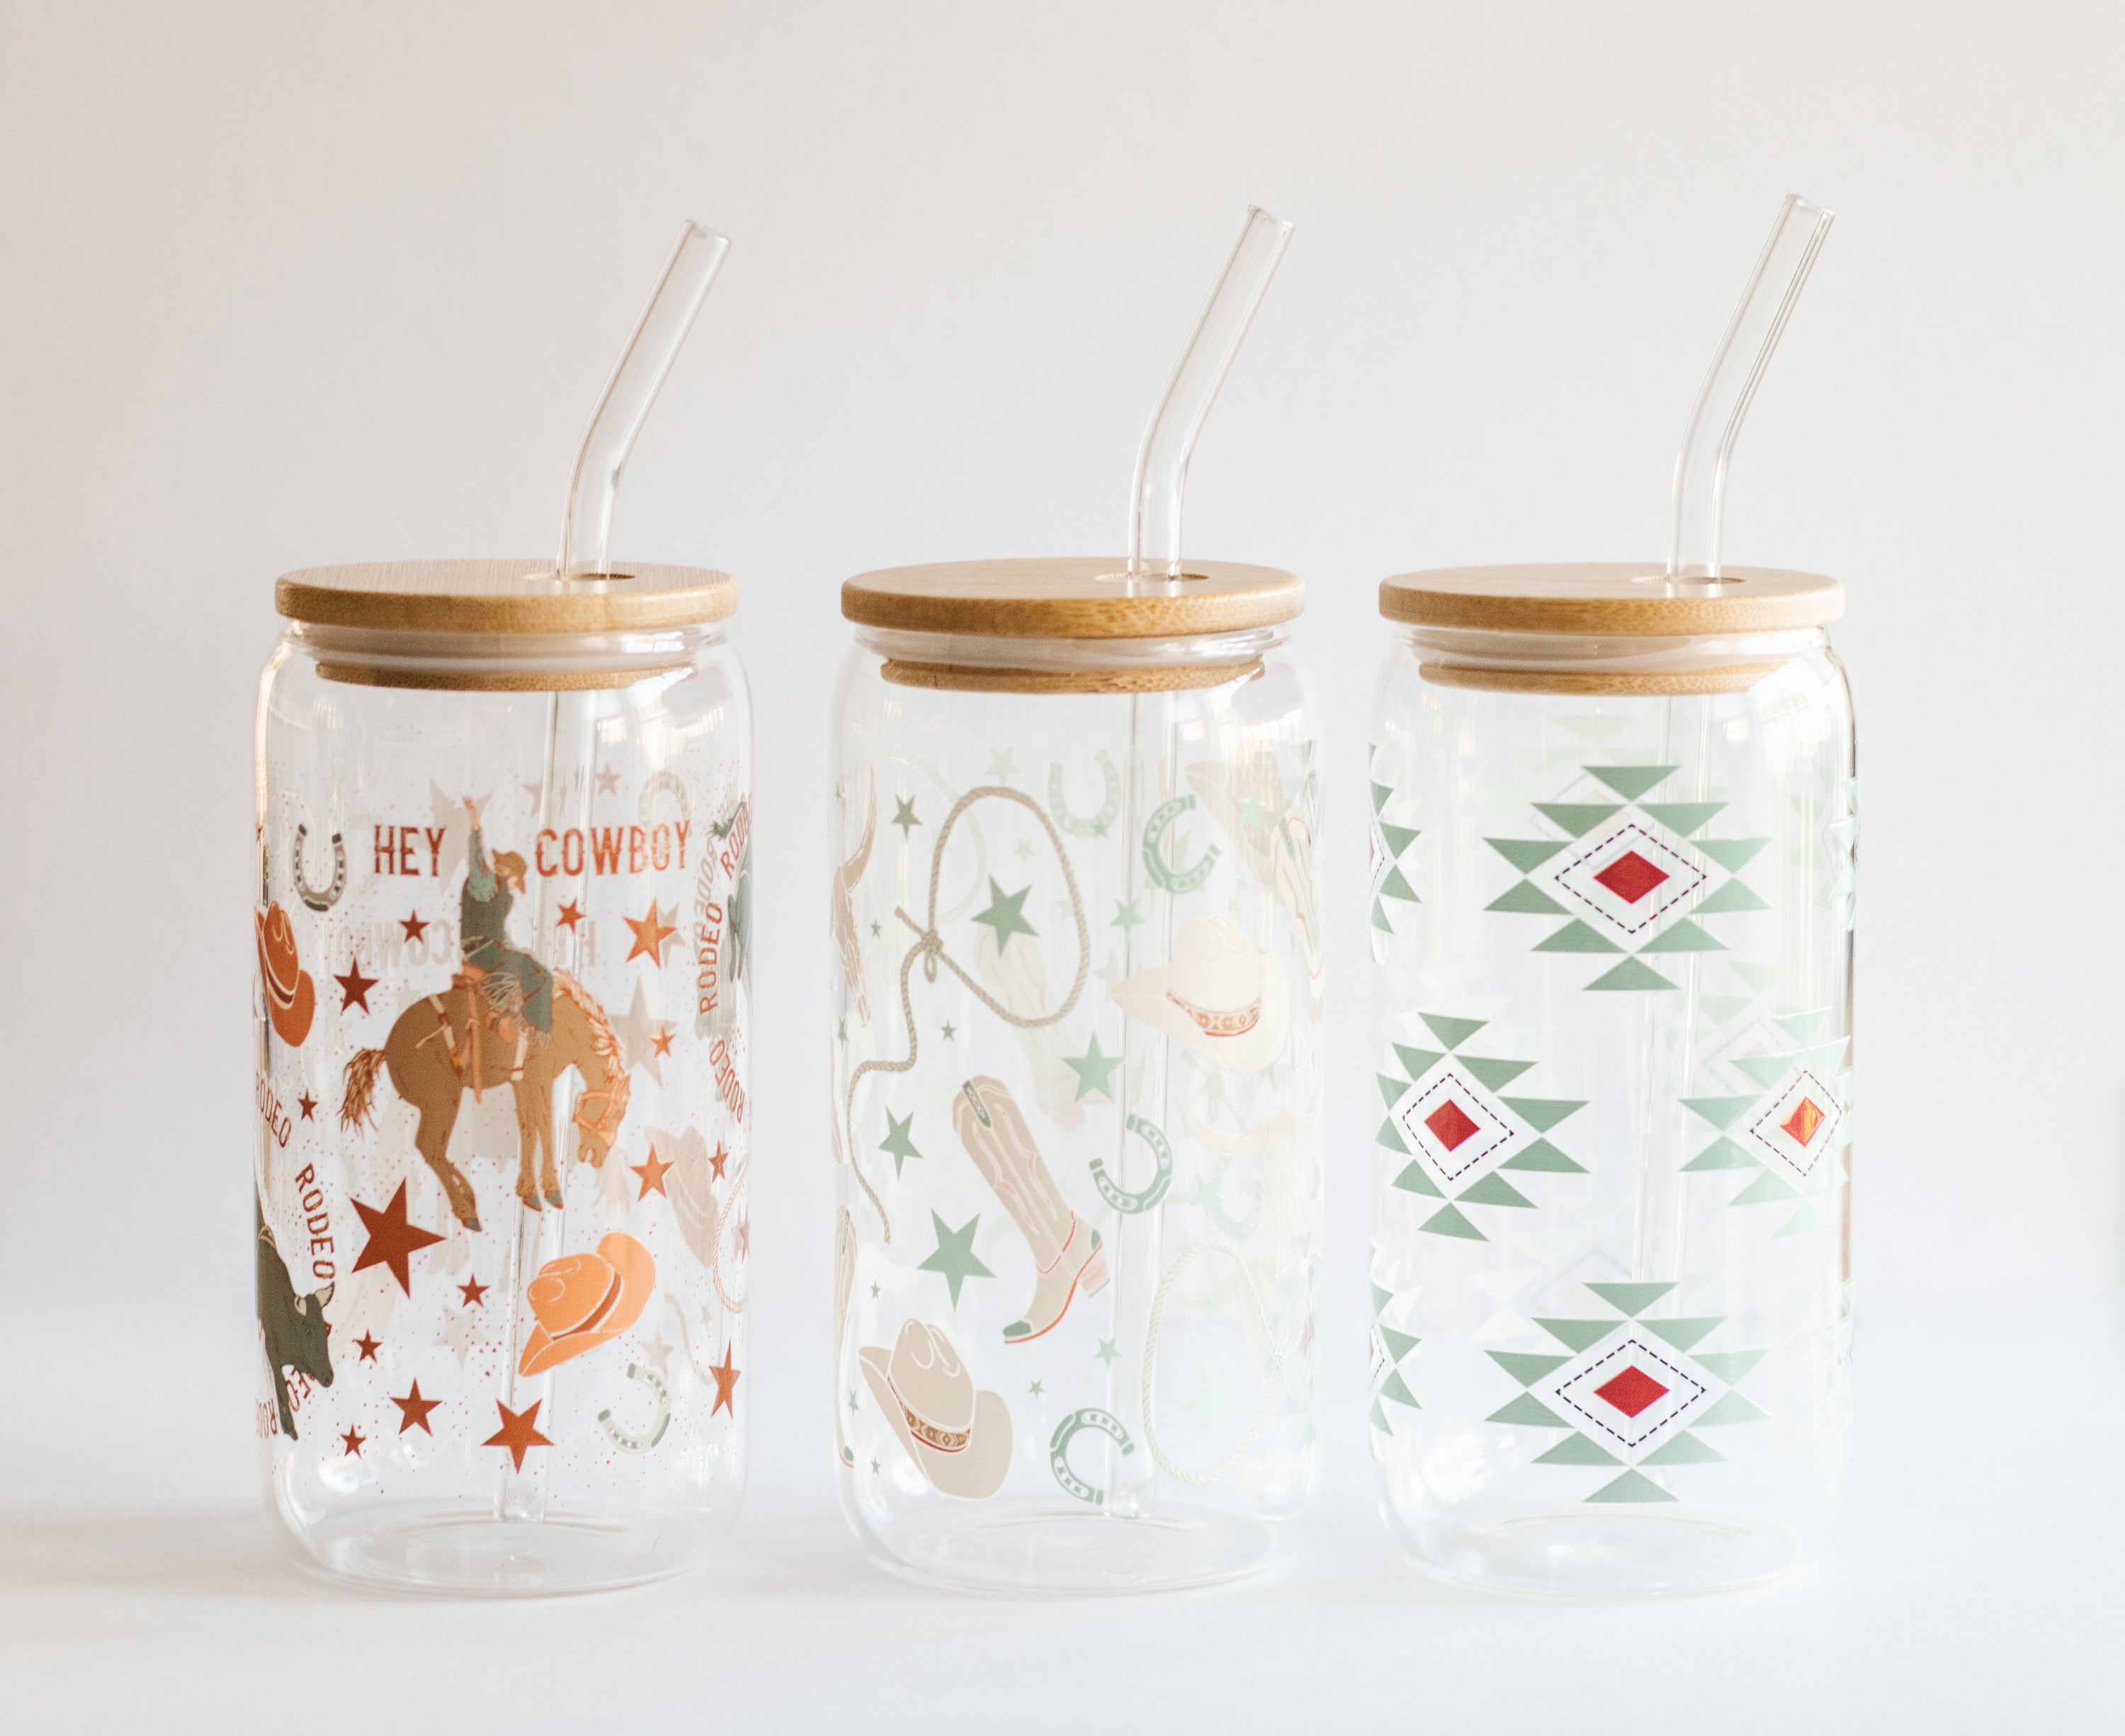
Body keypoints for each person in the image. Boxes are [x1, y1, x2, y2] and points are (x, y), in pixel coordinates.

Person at [460, 798, 552, 1034]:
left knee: (529, 964)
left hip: (488, 948)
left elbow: (501, 936)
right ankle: (537, 1030)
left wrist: (519, 952)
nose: (513, 887)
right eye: (515, 881)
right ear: (508, 872)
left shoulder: (500, 894)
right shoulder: (487, 884)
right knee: (539, 975)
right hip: (482, 950)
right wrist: (476, 827)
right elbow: (477, 861)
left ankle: (513, 1015)